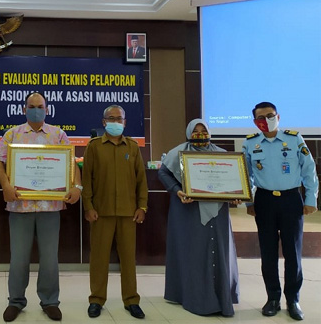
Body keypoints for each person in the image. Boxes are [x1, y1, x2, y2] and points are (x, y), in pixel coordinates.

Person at [0, 92, 81, 322]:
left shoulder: (58, 134)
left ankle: (50, 301)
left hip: (50, 207)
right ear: (24, 109)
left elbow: (71, 163)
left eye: (40, 106)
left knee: (50, 259)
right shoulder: (12, 134)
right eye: (31, 106)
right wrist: (5, 185)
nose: (36, 110)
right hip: (19, 206)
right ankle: (16, 301)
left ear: (47, 109)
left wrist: (77, 187)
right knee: (18, 259)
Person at [242, 102, 318, 321]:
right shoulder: (251, 143)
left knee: (293, 252)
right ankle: (272, 298)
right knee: (268, 253)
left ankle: (293, 300)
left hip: (291, 200)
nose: (266, 120)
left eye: (270, 115)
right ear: (255, 121)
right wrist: (249, 203)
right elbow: (246, 175)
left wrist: (311, 198)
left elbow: (309, 169)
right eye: (261, 118)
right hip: (264, 201)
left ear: (278, 117)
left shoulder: (294, 139)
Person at [158, 119, 239, 317]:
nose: (200, 134)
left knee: (219, 249)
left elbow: (233, 179)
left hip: (218, 211)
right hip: (187, 211)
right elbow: (164, 173)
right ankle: (191, 296)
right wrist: (177, 190)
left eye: (204, 130)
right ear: (188, 132)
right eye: (195, 130)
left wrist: (236, 194)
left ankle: (220, 297)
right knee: (191, 251)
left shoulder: (222, 154)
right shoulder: (178, 153)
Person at [82, 105, 148, 319]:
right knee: (99, 259)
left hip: (128, 213)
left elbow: (141, 180)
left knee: (128, 259)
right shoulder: (94, 147)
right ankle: (96, 300)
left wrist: (142, 206)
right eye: (111, 118)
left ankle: (131, 300)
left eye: (119, 119)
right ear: (104, 122)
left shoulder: (133, 147)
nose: (115, 122)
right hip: (100, 213)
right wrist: (88, 206)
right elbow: (86, 180)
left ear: (125, 122)